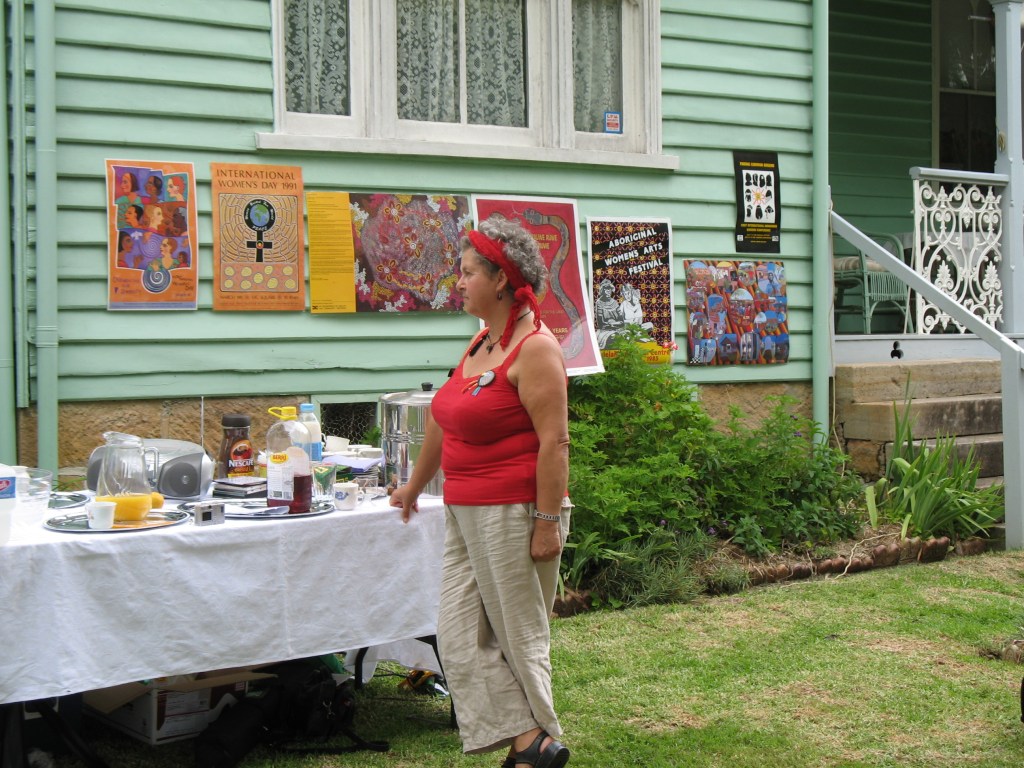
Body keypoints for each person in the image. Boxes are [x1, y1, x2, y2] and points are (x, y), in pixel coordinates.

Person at [390, 214, 572, 768]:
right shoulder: (480, 343)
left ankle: (536, 742)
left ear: (500, 280)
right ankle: (531, 744)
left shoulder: (535, 347)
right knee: (458, 637)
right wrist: (414, 486)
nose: (459, 282)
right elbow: (444, 420)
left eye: (468, 272)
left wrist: (545, 523)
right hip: (464, 510)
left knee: (517, 637)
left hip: (514, 511)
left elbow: (556, 443)